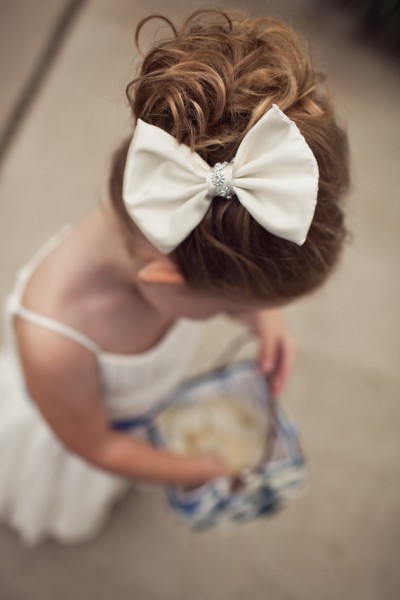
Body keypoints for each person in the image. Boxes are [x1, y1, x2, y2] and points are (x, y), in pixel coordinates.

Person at [0, 8, 349, 546]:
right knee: (73, 495)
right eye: (224, 306)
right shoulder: (53, 341)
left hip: (135, 408)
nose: (232, 312)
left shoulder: (173, 225)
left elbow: (224, 260)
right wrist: (195, 469)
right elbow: (95, 445)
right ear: (165, 283)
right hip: (82, 433)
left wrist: (265, 317)